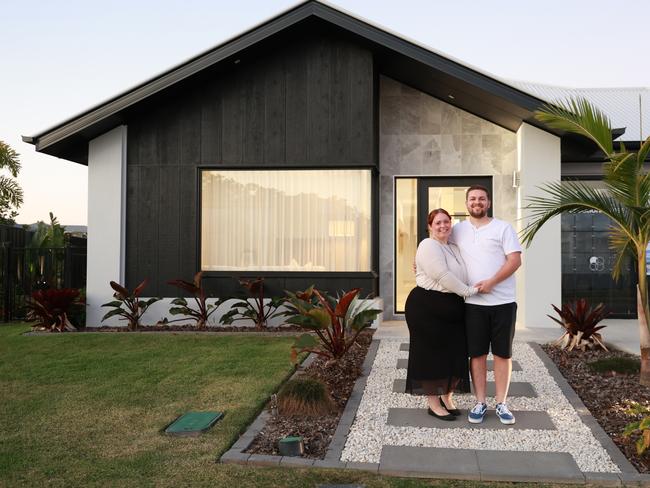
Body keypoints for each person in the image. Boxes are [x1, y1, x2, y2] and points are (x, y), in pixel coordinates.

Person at [450, 185, 522, 425]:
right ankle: (480, 402)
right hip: (472, 304)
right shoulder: (458, 230)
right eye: (472, 199)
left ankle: (501, 403)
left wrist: (492, 282)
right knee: (477, 354)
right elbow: (440, 247)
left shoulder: (503, 228)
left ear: (488, 202)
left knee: (502, 354)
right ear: (467, 203)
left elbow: (515, 260)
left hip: (503, 302)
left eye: (481, 198)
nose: (477, 202)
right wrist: (421, 264)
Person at [405, 208, 478, 421]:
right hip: (427, 308)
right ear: (430, 226)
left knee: (455, 353)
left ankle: (447, 397)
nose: (443, 226)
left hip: (453, 308)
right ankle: (433, 403)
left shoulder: (453, 247)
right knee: (431, 355)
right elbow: (442, 275)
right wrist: (469, 291)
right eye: (438, 223)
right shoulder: (428, 245)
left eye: (446, 221)